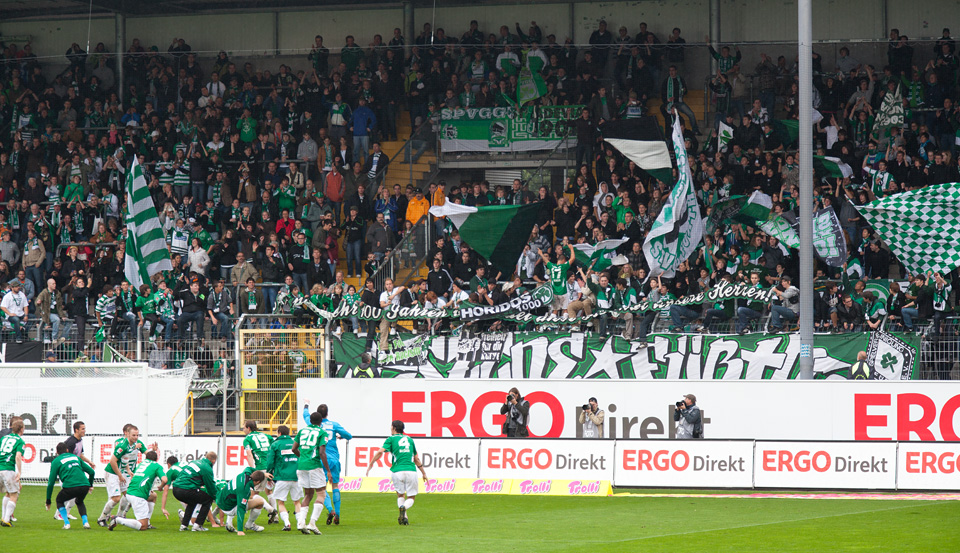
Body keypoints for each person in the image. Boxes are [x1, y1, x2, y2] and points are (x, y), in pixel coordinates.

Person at [364, 420, 428, 526]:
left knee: (400, 495)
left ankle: (403, 513)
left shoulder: (391, 439)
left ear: (393, 428)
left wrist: (371, 464)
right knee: (411, 497)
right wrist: (424, 473)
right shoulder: (410, 440)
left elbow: (380, 451)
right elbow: (416, 459)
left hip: (397, 471)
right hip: (411, 471)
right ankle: (404, 512)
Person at [98, 424, 151, 526]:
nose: (136, 437)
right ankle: (102, 518)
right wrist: (120, 475)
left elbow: (124, 459)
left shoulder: (131, 445)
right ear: (127, 434)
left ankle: (120, 515)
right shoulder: (122, 445)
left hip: (121, 472)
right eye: (133, 435)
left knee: (128, 495)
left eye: (137, 435)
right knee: (116, 498)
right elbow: (112, 461)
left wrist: (128, 470)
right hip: (112, 473)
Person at [108, 450, 167, 531]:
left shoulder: (141, 464)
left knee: (153, 496)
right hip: (138, 496)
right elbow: (165, 479)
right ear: (156, 459)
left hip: (129, 492)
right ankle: (117, 519)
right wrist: (161, 486)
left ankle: (147, 522)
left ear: (146, 457)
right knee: (143, 526)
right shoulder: (157, 466)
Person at [292, 411, 331, 535]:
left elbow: (294, 448)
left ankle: (301, 522)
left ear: (310, 421)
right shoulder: (322, 432)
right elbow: (322, 452)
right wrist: (328, 471)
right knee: (321, 494)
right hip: (314, 466)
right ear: (321, 421)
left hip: (301, 466)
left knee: (308, 494)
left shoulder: (302, 431)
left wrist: (302, 458)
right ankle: (312, 523)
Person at [45, 440, 95, 530]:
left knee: (59, 500)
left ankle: (66, 523)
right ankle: (86, 522)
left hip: (70, 487)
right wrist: (90, 485)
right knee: (79, 501)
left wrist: (48, 500)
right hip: (84, 485)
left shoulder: (56, 461)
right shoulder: (75, 457)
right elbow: (91, 472)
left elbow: (51, 483)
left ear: (57, 452)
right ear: (67, 450)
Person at [265, 425, 304, 532]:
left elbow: (270, 461)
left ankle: (287, 523)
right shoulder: (295, 443)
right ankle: (300, 523)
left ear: (279, 433)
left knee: (281, 502)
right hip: (296, 477)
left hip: (282, 477)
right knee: (297, 502)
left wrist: (269, 474)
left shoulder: (275, 444)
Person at [318, 403, 352, 525]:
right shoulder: (334, 425)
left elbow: (305, 415)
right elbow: (349, 436)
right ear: (327, 413)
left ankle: (330, 510)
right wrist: (341, 436)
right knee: (335, 486)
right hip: (334, 459)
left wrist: (306, 405)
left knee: (321, 488)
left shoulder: (315, 425)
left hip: (321, 459)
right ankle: (337, 513)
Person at [171, 451, 219, 532]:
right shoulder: (207, 468)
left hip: (175, 489)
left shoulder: (195, 462)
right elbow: (210, 486)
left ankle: (184, 525)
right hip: (186, 489)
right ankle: (197, 525)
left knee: (192, 501)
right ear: (214, 461)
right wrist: (216, 497)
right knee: (208, 499)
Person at [216, 467, 272, 535]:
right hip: (228, 508)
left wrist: (263, 474)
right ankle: (250, 525)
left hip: (220, 500)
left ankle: (229, 523)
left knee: (237, 497)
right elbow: (241, 508)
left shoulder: (245, 474)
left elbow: (248, 468)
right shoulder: (245, 489)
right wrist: (240, 530)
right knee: (260, 502)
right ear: (258, 482)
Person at [241, 421, 277, 522]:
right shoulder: (266, 436)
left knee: (254, 494)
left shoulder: (247, 439)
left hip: (261, 467)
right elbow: (274, 449)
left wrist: (253, 469)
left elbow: (249, 454)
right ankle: (276, 517)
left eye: (244, 428)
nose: (243, 430)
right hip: (271, 467)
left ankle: (270, 509)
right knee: (269, 491)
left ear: (248, 428)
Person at [58, 420, 93, 521]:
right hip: (67, 473)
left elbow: (80, 455)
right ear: (76, 430)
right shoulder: (70, 443)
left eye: (84, 429)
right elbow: (63, 457)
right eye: (82, 429)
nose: (84, 431)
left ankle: (66, 512)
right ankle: (59, 514)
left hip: (74, 472)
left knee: (74, 495)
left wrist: (89, 462)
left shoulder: (80, 440)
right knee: (67, 494)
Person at [0, 419, 24, 527]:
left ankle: (4, 517)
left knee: (8, 493)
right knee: (14, 494)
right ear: (21, 429)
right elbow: (18, 456)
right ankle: (6, 519)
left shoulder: (4, 438)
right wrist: (19, 472)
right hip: (8, 469)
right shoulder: (20, 441)